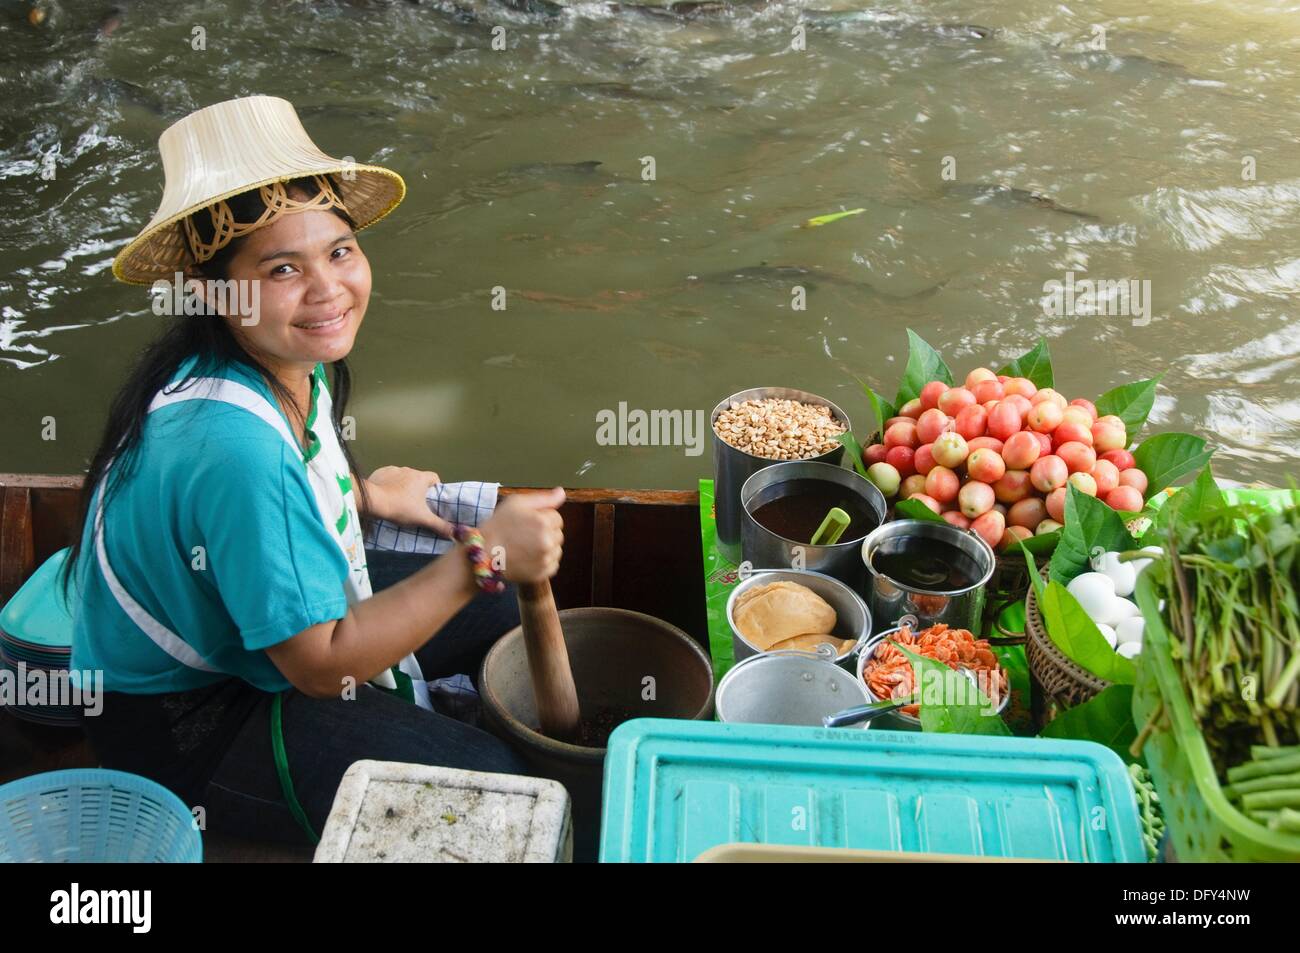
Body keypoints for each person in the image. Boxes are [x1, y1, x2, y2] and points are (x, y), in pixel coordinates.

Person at [62, 94, 564, 845]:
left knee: (495, 619)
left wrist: (366, 494)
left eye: (339, 251)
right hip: (190, 721)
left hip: (250, 644)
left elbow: (283, 490)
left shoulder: (283, 357)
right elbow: (322, 666)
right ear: (211, 289)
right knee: (493, 784)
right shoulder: (233, 448)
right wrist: (479, 557)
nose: (327, 289)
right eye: (282, 268)